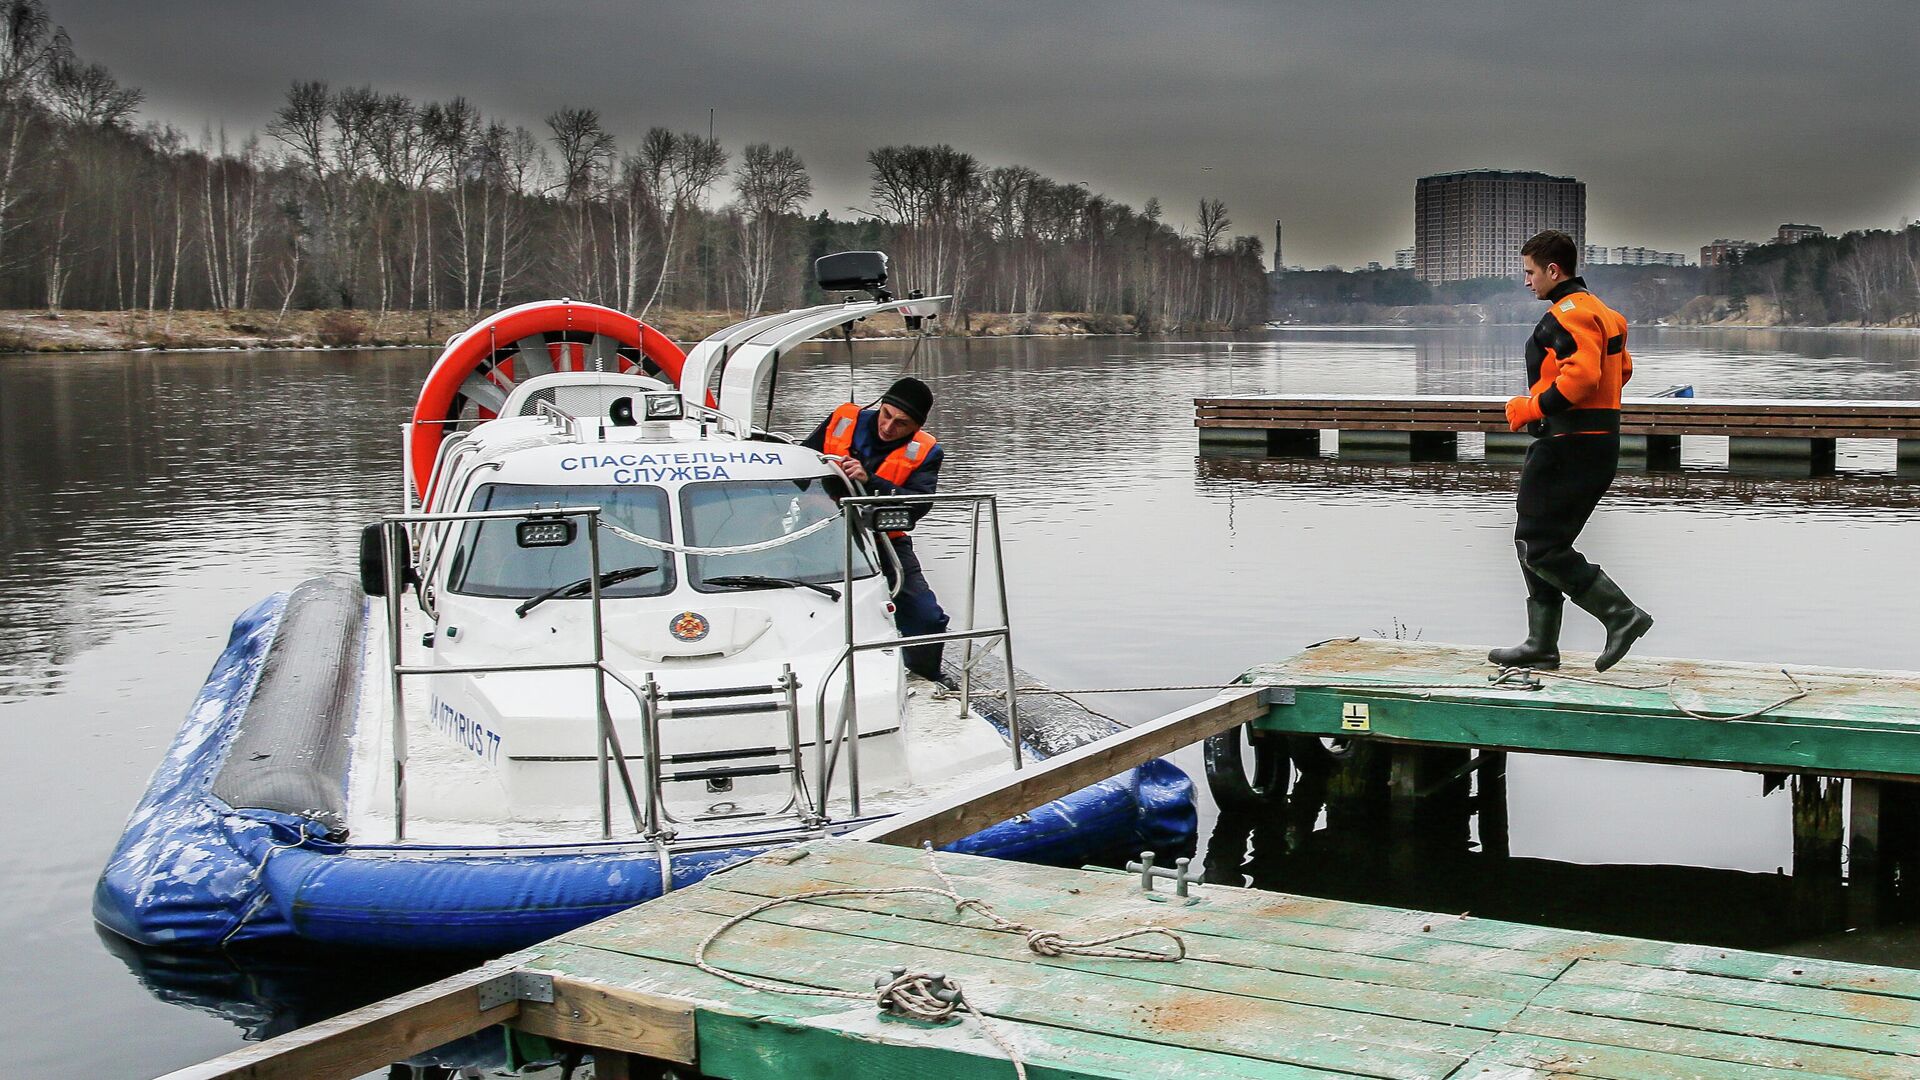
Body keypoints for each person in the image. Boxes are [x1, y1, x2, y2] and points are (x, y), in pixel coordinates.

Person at [1490, 231, 1653, 673]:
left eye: (1530, 272)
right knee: (1535, 541)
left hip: (1568, 446)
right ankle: (1540, 644)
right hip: (1595, 443)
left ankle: (1621, 615)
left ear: (1552, 271)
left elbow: (1580, 379)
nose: (1527, 281)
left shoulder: (1568, 315)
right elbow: (1622, 370)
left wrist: (1530, 407)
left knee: (1540, 546)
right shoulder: (1607, 314)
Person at [802, 377, 950, 679]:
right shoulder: (842, 420)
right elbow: (798, 466)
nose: (888, 427)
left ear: (916, 427)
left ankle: (925, 679)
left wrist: (870, 481)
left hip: (884, 540)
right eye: (886, 415)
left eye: (901, 423)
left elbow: (920, 504)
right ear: (880, 405)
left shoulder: (926, 452)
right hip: (818, 533)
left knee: (927, 618)